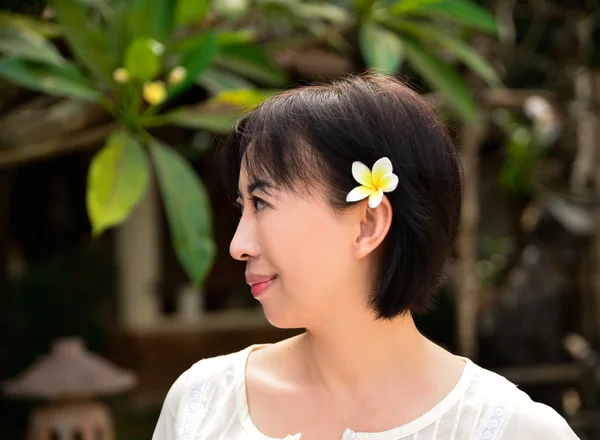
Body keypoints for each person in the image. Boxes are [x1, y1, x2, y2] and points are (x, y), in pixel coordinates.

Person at [152, 74, 579, 440]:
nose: (238, 244)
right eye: (241, 207)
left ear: (368, 224)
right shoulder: (200, 404)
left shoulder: (510, 430)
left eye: (261, 203)